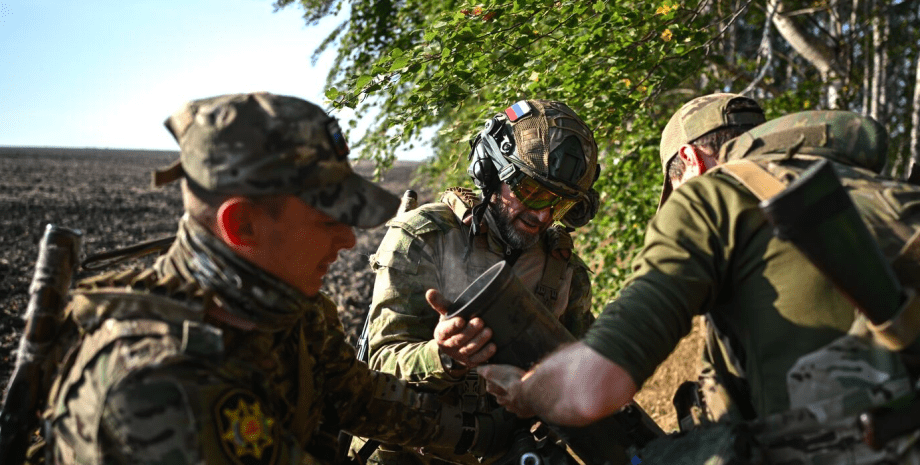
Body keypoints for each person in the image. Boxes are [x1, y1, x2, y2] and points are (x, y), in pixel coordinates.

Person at [37, 92, 509, 464]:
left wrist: (490, 436)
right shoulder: (156, 379)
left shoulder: (286, 310)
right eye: (328, 218)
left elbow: (358, 398)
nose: (348, 240)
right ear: (241, 226)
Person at [481, 109, 920, 462]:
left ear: (690, 160)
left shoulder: (713, 197)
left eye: (674, 187)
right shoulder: (890, 193)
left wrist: (526, 390)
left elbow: (596, 384)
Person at [351, 99, 601, 465]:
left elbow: (582, 379)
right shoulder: (424, 239)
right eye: (532, 192)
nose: (542, 215)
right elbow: (377, 368)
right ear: (490, 171)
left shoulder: (565, 273)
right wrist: (443, 356)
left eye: (560, 205)